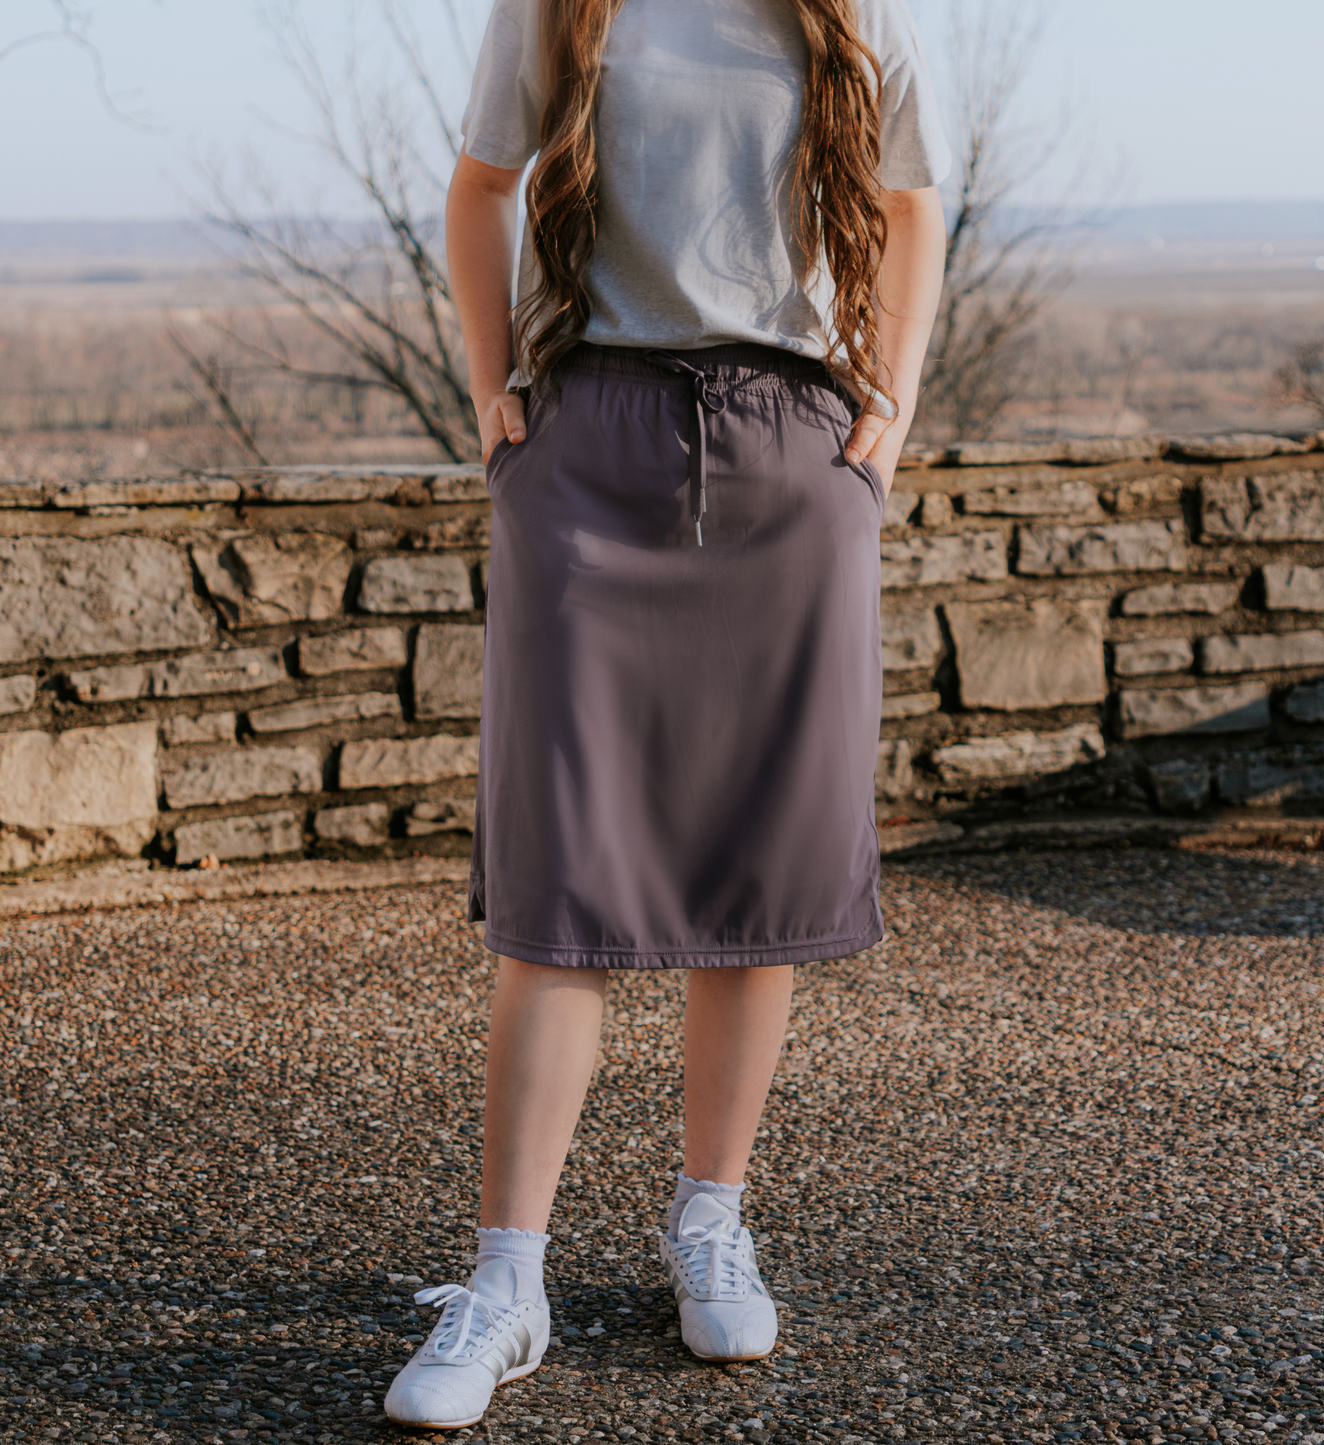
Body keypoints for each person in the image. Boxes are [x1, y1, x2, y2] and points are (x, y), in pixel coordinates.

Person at [385, 0, 947, 1428]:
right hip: (592, 447)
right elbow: (480, 186)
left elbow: (910, 201)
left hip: (789, 457)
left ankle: (711, 1220)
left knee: (759, 867)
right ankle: (508, 1282)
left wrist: (888, 410)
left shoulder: (855, 6)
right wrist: (493, 395)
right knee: (562, 874)